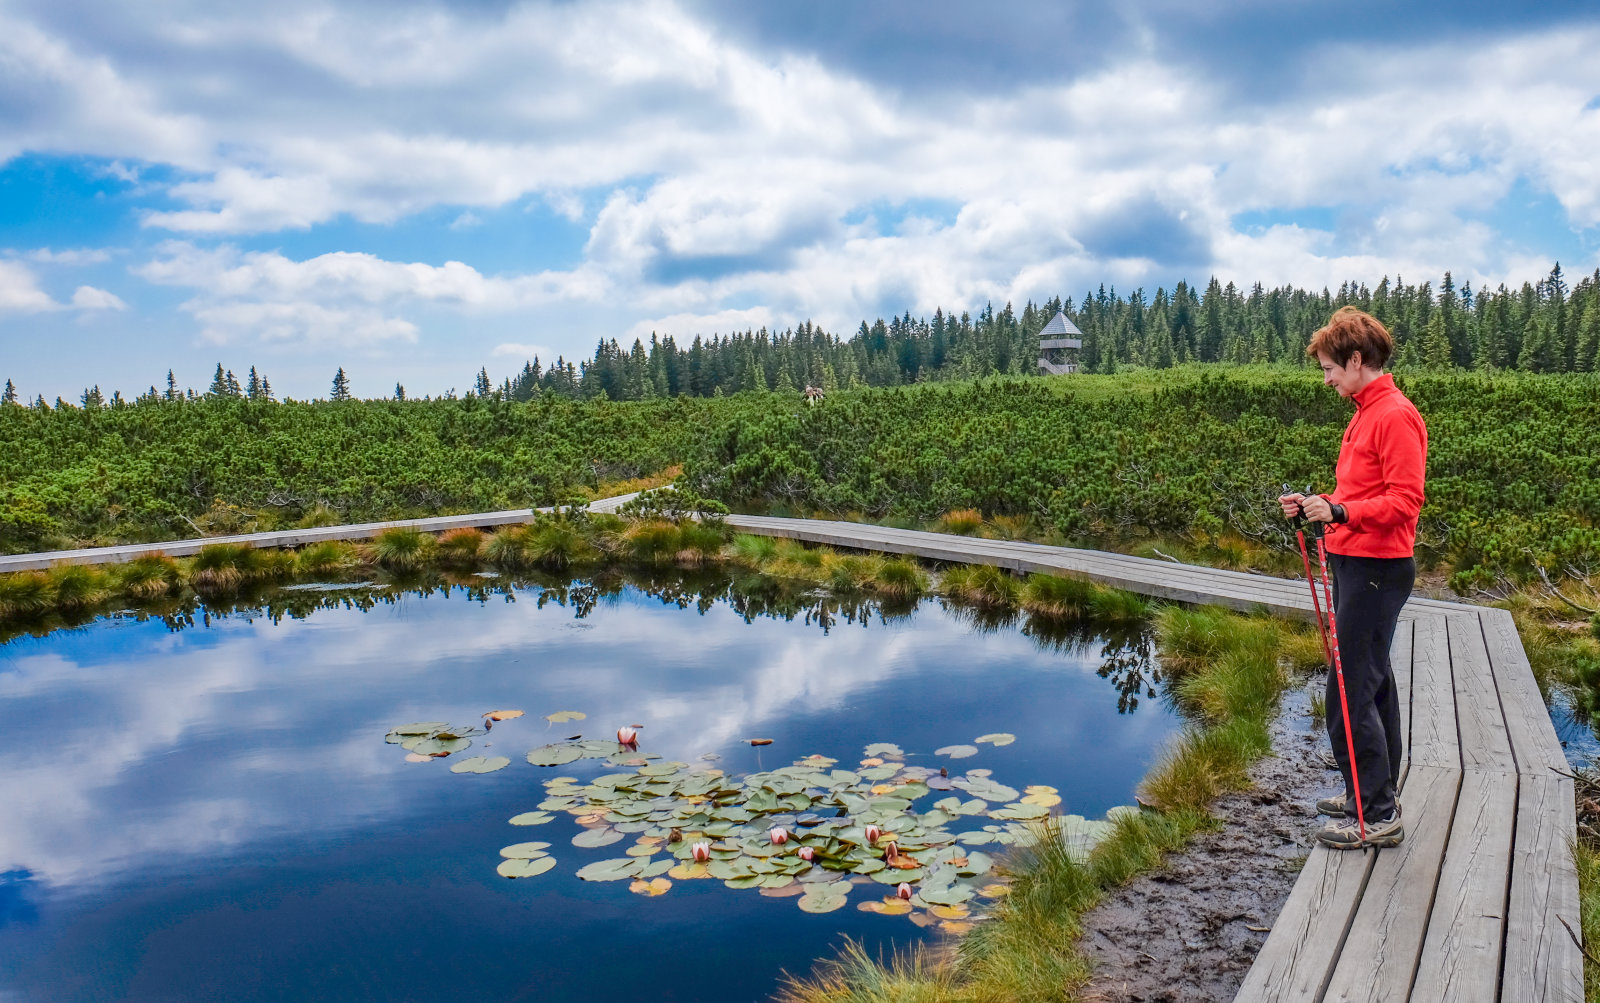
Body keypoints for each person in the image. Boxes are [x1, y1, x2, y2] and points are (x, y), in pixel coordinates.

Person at [1278, 306, 1427, 850]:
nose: (1327, 379)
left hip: (1376, 569)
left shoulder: (1393, 415)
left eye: (1329, 369)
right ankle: (1369, 791)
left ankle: (1378, 814)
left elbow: (1405, 501)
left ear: (1357, 359)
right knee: (1372, 681)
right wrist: (1320, 504)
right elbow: (1365, 491)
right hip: (1356, 562)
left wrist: (1340, 514)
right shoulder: (1366, 411)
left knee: (1348, 691)